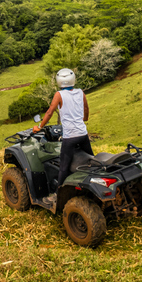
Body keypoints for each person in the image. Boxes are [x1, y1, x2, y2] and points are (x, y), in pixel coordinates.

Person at [33, 68, 92, 207]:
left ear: (59, 81)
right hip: (83, 134)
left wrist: (39, 127)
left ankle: (57, 195)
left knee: (63, 168)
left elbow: (49, 112)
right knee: (92, 161)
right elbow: (86, 109)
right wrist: (85, 119)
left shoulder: (58, 95)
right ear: (73, 79)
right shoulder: (80, 92)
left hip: (70, 137)